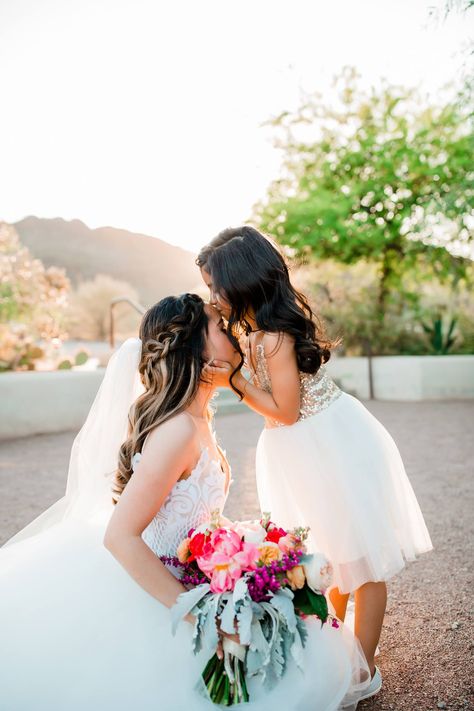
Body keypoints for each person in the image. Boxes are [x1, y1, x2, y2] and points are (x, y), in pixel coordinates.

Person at [0, 293, 368, 711]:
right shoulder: (177, 430)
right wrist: (203, 616)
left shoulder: (199, 419)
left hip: (197, 572)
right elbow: (120, 535)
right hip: (159, 590)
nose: (234, 333)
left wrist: (244, 544)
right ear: (195, 347)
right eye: (220, 325)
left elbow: (191, 514)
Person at [198, 226, 434, 700]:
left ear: (243, 280)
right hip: (299, 451)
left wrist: (233, 384)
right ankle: (334, 647)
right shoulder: (258, 335)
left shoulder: (276, 337)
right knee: (326, 555)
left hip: (330, 446)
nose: (214, 297)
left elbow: (284, 409)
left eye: (215, 286)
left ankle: (362, 670)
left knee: (361, 563)